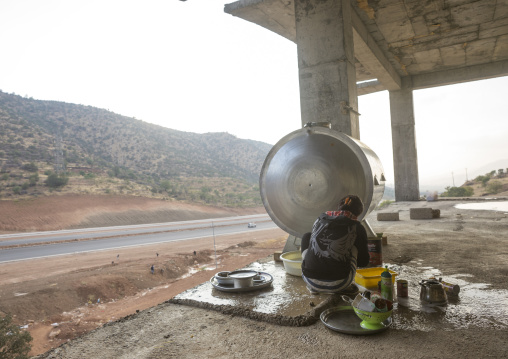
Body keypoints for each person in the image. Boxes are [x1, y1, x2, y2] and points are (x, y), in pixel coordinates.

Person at [300, 195, 370, 294]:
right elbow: (363, 262)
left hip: (309, 280)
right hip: (340, 283)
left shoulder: (320, 219)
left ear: (339, 207)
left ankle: (316, 287)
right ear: (358, 212)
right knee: (354, 246)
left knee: (307, 236)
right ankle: (343, 287)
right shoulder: (357, 227)